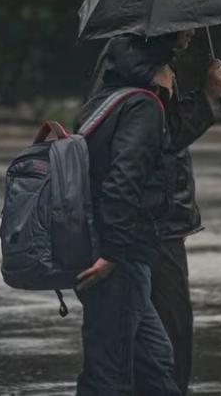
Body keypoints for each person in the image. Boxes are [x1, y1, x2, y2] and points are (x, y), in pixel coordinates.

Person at [83, 29, 221, 395]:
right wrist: (208, 97)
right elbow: (134, 165)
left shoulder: (133, 64)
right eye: (185, 24)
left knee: (151, 353)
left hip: (137, 231)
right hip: (144, 230)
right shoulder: (143, 86)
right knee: (130, 356)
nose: (192, 30)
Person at [74, 35, 182, 396]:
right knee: (108, 374)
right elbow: (123, 182)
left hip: (107, 246)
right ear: (157, 63)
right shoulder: (143, 106)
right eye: (170, 63)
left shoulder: (106, 100)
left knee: (154, 360)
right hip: (121, 256)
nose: (174, 73)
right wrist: (113, 254)